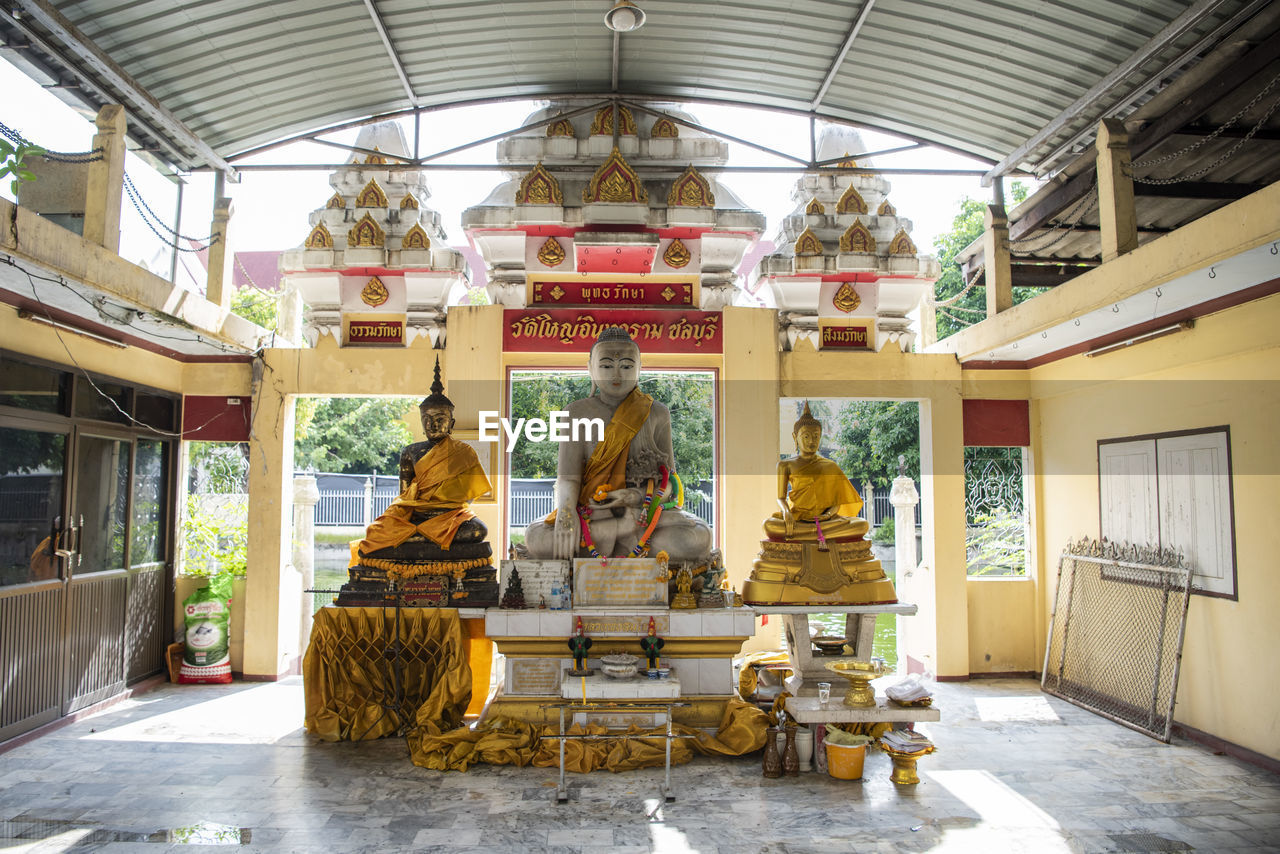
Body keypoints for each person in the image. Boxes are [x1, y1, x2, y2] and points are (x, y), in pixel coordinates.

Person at [524, 327, 711, 562]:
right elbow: (568, 478)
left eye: (626, 366)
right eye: (606, 366)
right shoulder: (574, 412)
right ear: (590, 369)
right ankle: (622, 531)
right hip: (593, 513)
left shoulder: (657, 413)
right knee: (537, 537)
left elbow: (670, 482)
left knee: (696, 537)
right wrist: (566, 513)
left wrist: (634, 496)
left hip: (641, 512)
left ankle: (622, 532)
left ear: (640, 369)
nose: (616, 375)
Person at [352, 359, 491, 562]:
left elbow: (468, 497)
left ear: (451, 423)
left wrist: (445, 502)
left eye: (439, 419)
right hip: (415, 516)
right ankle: (422, 535)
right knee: (374, 532)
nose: (432, 425)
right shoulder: (411, 452)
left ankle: (416, 538)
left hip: (450, 517)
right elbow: (404, 495)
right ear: (421, 422)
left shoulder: (464, 453)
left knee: (477, 531)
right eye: (427, 419)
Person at [763, 402, 868, 546]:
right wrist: (787, 513)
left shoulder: (830, 466)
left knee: (861, 525)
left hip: (825, 521)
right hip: (798, 518)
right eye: (806, 436)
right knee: (769, 525)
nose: (811, 441)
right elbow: (780, 498)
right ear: (795, 438)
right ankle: (812, 534)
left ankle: (810, 534)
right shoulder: (785, 465)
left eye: (816, 436)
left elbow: (836, 503)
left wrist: (828, 515)